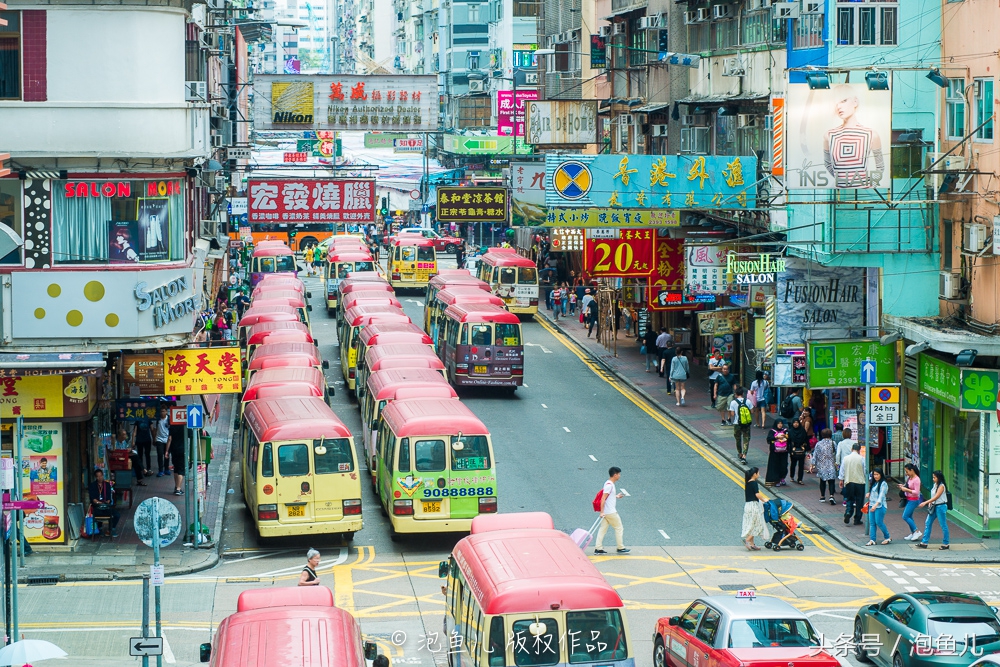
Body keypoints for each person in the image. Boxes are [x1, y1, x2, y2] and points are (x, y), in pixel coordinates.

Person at [823, 85, 886, 188]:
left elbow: (880, 167)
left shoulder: (871, 134)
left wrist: (870, 186)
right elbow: (827, 164)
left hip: (863, 192)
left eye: (843, 101)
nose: (839, 106)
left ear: (855, 101)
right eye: (836, 103)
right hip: (840, 193)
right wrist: (844, 182)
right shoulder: (829, 135)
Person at [594, 467, 629, 555]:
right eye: (619, 474)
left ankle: (598, 548)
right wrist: (602, 512)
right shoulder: (609, 485)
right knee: (619, 528)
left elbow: (608, 497)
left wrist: (616, 496)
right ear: (615, 475)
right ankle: (620, 547)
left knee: (603, 529)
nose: (619, 476)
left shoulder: (608, 483)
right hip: (610, 512)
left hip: (606, 512)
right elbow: (603, 499)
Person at [918, 470, 949, 550]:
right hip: (934, 506)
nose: (933, 479)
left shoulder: (941, 486)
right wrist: (930, 502)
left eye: (934, 477)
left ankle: (946, 543)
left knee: (943, 525)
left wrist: (925, 502)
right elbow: (933, 497)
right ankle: (924, 542)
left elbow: (937, 497)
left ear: (938, 478)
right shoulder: (935, 485)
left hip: (941, 507)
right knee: (928, 522)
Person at [840, 442, 866, 526]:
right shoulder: (862, 459)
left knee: (849, 499)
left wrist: (841, 479)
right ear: (859, 450)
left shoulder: (846, 458)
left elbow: (842, 470)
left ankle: (848, 512)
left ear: (852, 449)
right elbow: (865, 471)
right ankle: (857, 519)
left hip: (849, 481)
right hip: (860, 482)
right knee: (859, 501)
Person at [742, 467, 768, 551]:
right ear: (754, 474)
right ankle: (747, 540)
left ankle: (752, 544)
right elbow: (757, 494)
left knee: (751, 523)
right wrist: (764, 500)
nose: (759, 474)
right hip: (753, 506)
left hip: (747, 506)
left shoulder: (748, 483)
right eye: (758, 473)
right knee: (758, 524)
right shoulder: (754, 483)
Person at [88, 468, 118, 536]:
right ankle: (99, 528)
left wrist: (107, 501)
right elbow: (93, 499)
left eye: (101, 476)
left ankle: (111, 529)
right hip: (97, 506)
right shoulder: (92, 485)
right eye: (98, 476)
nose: (100, 477)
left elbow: (109, 498)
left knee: (116, 515)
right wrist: (98, 503)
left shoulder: (107, 485)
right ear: (96, 477)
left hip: (106, 506)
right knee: (97, 513)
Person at [866, 468, 891, 546]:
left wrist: (875, 505)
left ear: (881, 475)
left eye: (877, 474)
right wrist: (869, 494)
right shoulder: (874, 483)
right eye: (874, 474)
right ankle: (872, 540)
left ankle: (887, 537)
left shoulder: (883, 484)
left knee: (879, 522)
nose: (875, 476)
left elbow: (881, 496)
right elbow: (873, 493)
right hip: (871, 505)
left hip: (880, 506)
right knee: (872, 523)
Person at [812, 429, 838, 504]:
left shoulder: (819, 444)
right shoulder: (833, 443)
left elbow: (815, 455)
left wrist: (813, 464)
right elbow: (836, 453)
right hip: (831, 465)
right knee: (831, 481)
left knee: (822, 481)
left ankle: (822, 496)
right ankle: (831, 496)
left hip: (822, 465)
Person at [899, 463, 923, 541]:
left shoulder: (917, 479)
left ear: (912, 470)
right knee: (909, 516)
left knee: (905, 516)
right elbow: (908, 486)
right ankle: (913, 532)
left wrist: (906, 490)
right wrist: (902, 486)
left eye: (907, 471)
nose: (906, 473)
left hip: (914, 500)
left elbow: (916, 492)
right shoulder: (910, 478)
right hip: (909, 499)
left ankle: (916, 531)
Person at [730, 387, 753, 464]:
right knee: (746, 439)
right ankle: (744, 456)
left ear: (736, 394)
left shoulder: (733, 402)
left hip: (737, 424)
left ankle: (740, 453)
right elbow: (752, 411)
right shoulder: (748, 401)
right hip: (746, 423)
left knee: (738, 439)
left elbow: (732, 414)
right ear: (743, 394)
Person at [835, 427, 857, 506]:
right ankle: (853, 500)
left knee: (844, 482)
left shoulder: (841, 443)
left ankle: (845, 499)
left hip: (844, 464)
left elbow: (838, 454)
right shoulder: (854, 443)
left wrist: (837, 463)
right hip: (854, 463)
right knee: (853, 481)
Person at [764, 420, 788, 487]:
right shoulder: (772, 431)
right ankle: (776, 480)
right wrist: (776, 437)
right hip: (775, 453)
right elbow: (768, 439)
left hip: (784, 452)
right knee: (775, 466)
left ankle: (782, 478)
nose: (780, 425)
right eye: (778, 423)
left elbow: (790, 438)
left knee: (784, 466)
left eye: (781, 423)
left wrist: (785, 437)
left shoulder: (785, 431)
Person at [787, 418, 809, 485]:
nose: (795, 424)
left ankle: (800, 479)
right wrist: (790, 450)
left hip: (801, 450)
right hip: (793, 451)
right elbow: (789, 441)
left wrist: (806, 447)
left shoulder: (802, 431)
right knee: (793, 464)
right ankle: (792, 476)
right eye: (794, 423)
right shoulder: (790, 431)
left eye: (797, 423)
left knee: (801, 465)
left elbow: (806, 440)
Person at [153, 406, 171, 477]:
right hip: (159, 439)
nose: (162, 413)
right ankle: (160, 470)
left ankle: (166, 468)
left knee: (166, 455)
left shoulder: (169, 419)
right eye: (161, 411)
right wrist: (154, 438)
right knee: (160, 454)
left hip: (167, 439)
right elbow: (156, 429)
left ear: (166, 412)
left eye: (163, 411)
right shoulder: (158, 419)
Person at [168, 421, 186, 496]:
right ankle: (178, 488)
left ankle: (176, 486)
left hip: (173, 450)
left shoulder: (172, 425)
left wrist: (167, 450)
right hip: (182, 450)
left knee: (176, 468)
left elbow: (169, 439)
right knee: (181, 470)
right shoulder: (185, 426)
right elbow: (191, 435)